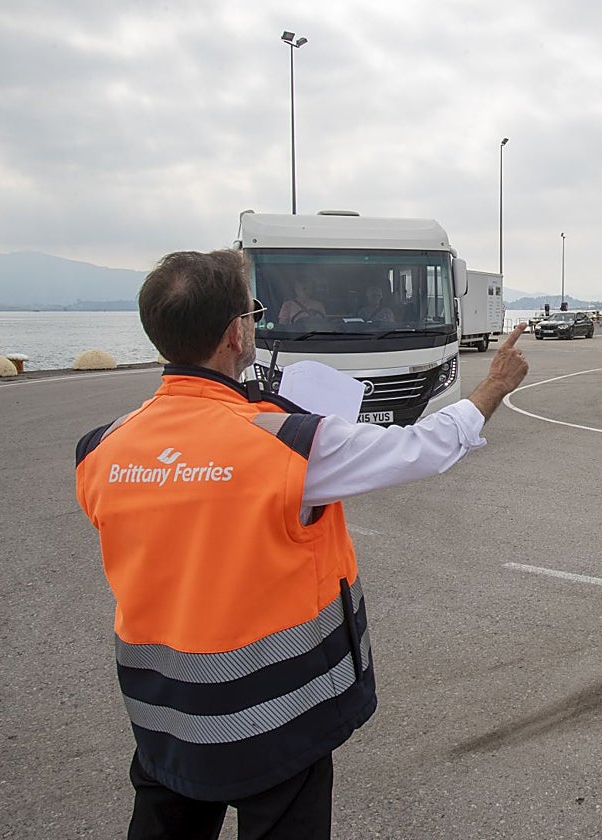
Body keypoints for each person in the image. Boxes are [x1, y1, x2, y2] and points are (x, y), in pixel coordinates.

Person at [75, 249, 529, 840]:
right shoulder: (285, 443)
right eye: (252, 314)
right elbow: (423, 447)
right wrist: (494, 384)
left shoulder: (101, 449)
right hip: (274, 717)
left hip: (164, 717)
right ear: (237, 333)